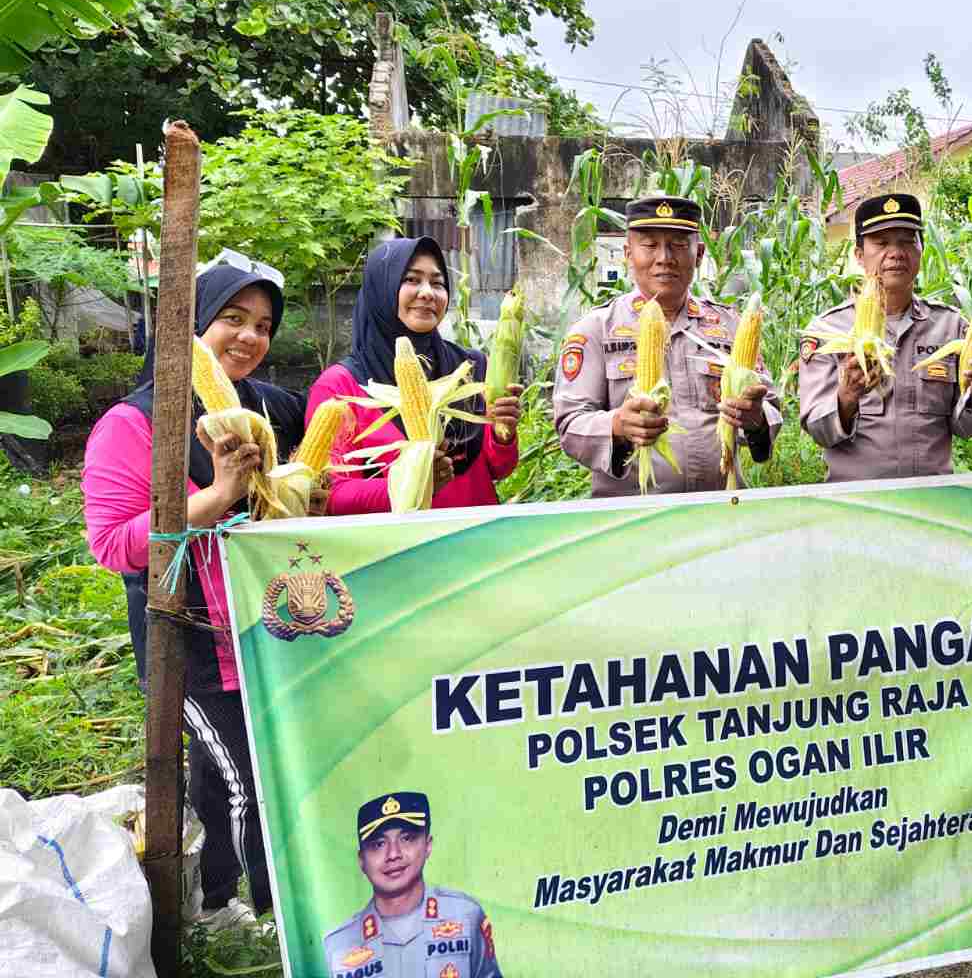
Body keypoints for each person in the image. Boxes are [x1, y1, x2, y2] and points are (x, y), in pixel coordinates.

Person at [83, 254, 310, 929]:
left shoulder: (263, 408)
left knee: (226, 773)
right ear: (191, 325)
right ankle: (279, 915)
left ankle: (214, 899)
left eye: (263, 325)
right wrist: (212, 498)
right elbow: (113, 544)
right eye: (231, 319)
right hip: (191, 640)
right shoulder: (134, 423)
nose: (248, 337)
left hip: (268, 626)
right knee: (247, 780)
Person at [553, 197, 781, 497]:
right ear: (627, 253)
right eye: (649, 245)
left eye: (678, 245)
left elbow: (771, 408)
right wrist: (617, 425)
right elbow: (570, 425)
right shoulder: (596, 330)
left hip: (718, 510)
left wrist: (756, 418)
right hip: (631, 520)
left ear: (698, 254)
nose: (664, 257)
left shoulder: (731, 326)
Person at [308, 238, 522, 513]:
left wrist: (504, 434)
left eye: (437, 283)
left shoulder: (472, 366)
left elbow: (496, 468)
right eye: (411, 279)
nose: (427, 293)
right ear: (381, 289)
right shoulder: (340, 385)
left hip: (476, 540)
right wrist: (411, 483)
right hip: (399, 548)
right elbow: (331, 494)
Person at [797, 193, 972, 480]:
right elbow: (818, 431)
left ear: (921, 250)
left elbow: (965, 428)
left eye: (907, 241)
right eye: (881, 243)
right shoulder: (827, 331)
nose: (896, 253)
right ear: (858, 255)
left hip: (932, 502)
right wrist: (848, 396)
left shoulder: (950, 327)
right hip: (857, 506)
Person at [323, 792, 501, 978]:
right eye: (378, 844)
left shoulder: (466, 916)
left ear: (427, 845)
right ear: (362, 860)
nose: (393, 854)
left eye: (407, 838)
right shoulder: (336, 947)